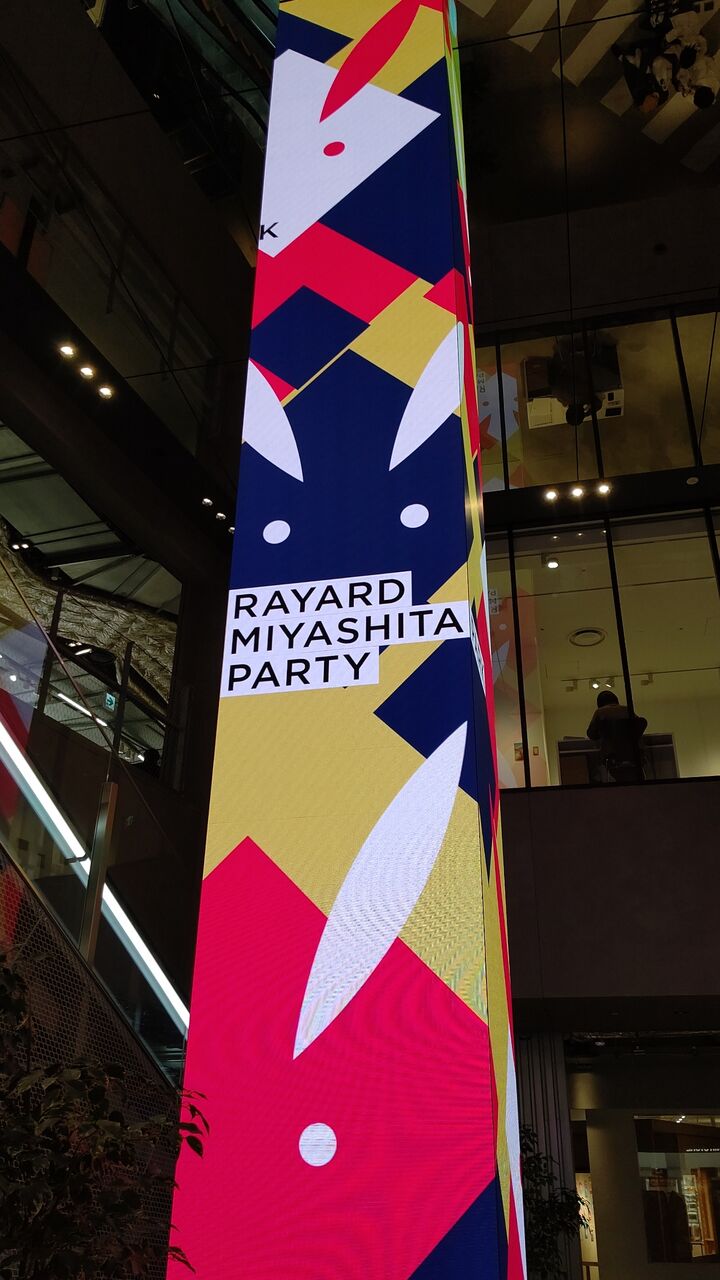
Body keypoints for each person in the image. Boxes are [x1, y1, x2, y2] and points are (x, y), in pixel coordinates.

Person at [586, 690, 647, 783]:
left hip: (612, 757)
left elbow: (591, 734)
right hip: (635, 756)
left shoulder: (600, 712)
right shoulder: (627, 709)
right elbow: (639, 726)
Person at [642, 1170, 692, 1261]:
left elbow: (681, 1226)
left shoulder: (675, 1200)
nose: (658, 1181)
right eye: (654, 1179)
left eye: (660, 1179)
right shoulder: (648, 1200)